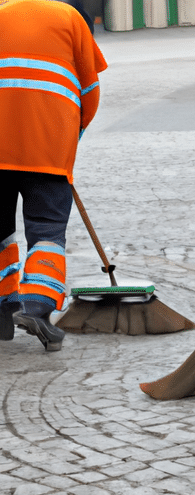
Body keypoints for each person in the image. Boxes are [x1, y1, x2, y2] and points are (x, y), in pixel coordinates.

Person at [0, 0, 107, 351]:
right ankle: (38, 308)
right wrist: (70, 137)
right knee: (47, 229)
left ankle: (3, 311)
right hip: (46, 147)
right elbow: (90, 90)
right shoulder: (69, 17)